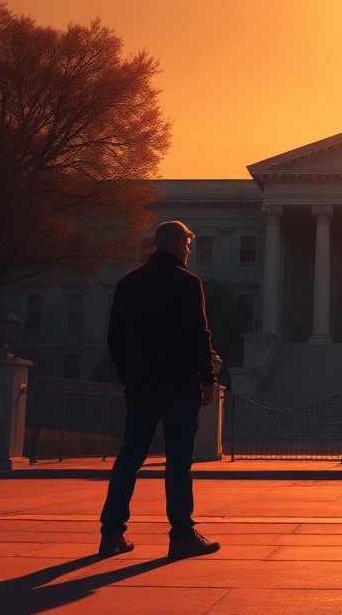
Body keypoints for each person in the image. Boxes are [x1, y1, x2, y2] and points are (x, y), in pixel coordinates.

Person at [98, 220, 220, 559]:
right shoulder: (187, 282)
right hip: (179, 384)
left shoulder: (128, 283)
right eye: (189, 245)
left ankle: (111, 534)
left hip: (140, 385)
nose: (190, 251)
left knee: (129, 457)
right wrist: (207, 377)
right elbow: (198, 335)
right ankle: (181, 534)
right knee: (178, 460)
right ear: (180, 244)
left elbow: (114, 338)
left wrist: (129, 376)